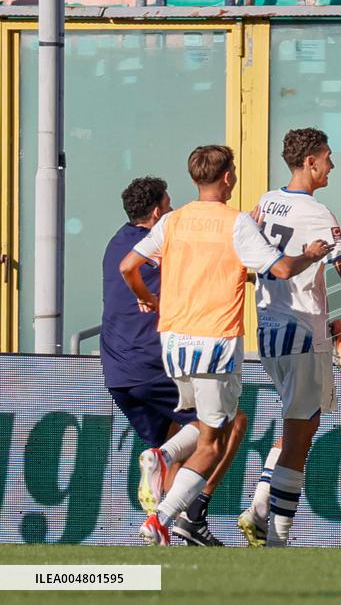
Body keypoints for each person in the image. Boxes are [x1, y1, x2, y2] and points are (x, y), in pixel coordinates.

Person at [119, 144, 335, 546]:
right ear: (228, 177)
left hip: (173, 341)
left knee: (217, 421)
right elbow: (282, 269)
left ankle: (163, 457)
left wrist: (147, 298)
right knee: (212, 443)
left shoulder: (173, 220)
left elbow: (128, 266)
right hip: (214, 340)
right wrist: (309, 254)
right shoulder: (236, 223)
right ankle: (161, 517)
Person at [248, 128, 341, 547]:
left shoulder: (267, 201)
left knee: (298, 424)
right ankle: (278, 536)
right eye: (327, 157)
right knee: (300, 436)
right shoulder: (318, 213)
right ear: (310, 162)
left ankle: (258, 508)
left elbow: (328, 238)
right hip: (302, 331)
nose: (332, 165)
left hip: (268, 330)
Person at [102, 176, 247, 546]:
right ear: (156, 213)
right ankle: (194, 512)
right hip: (153, 361)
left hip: (118, 371)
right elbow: (204, 272)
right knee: (228, 425)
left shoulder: (116, 242)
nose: (173, 212)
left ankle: (165, 526)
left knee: (181, 442)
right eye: (168, 207)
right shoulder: (164, 246)